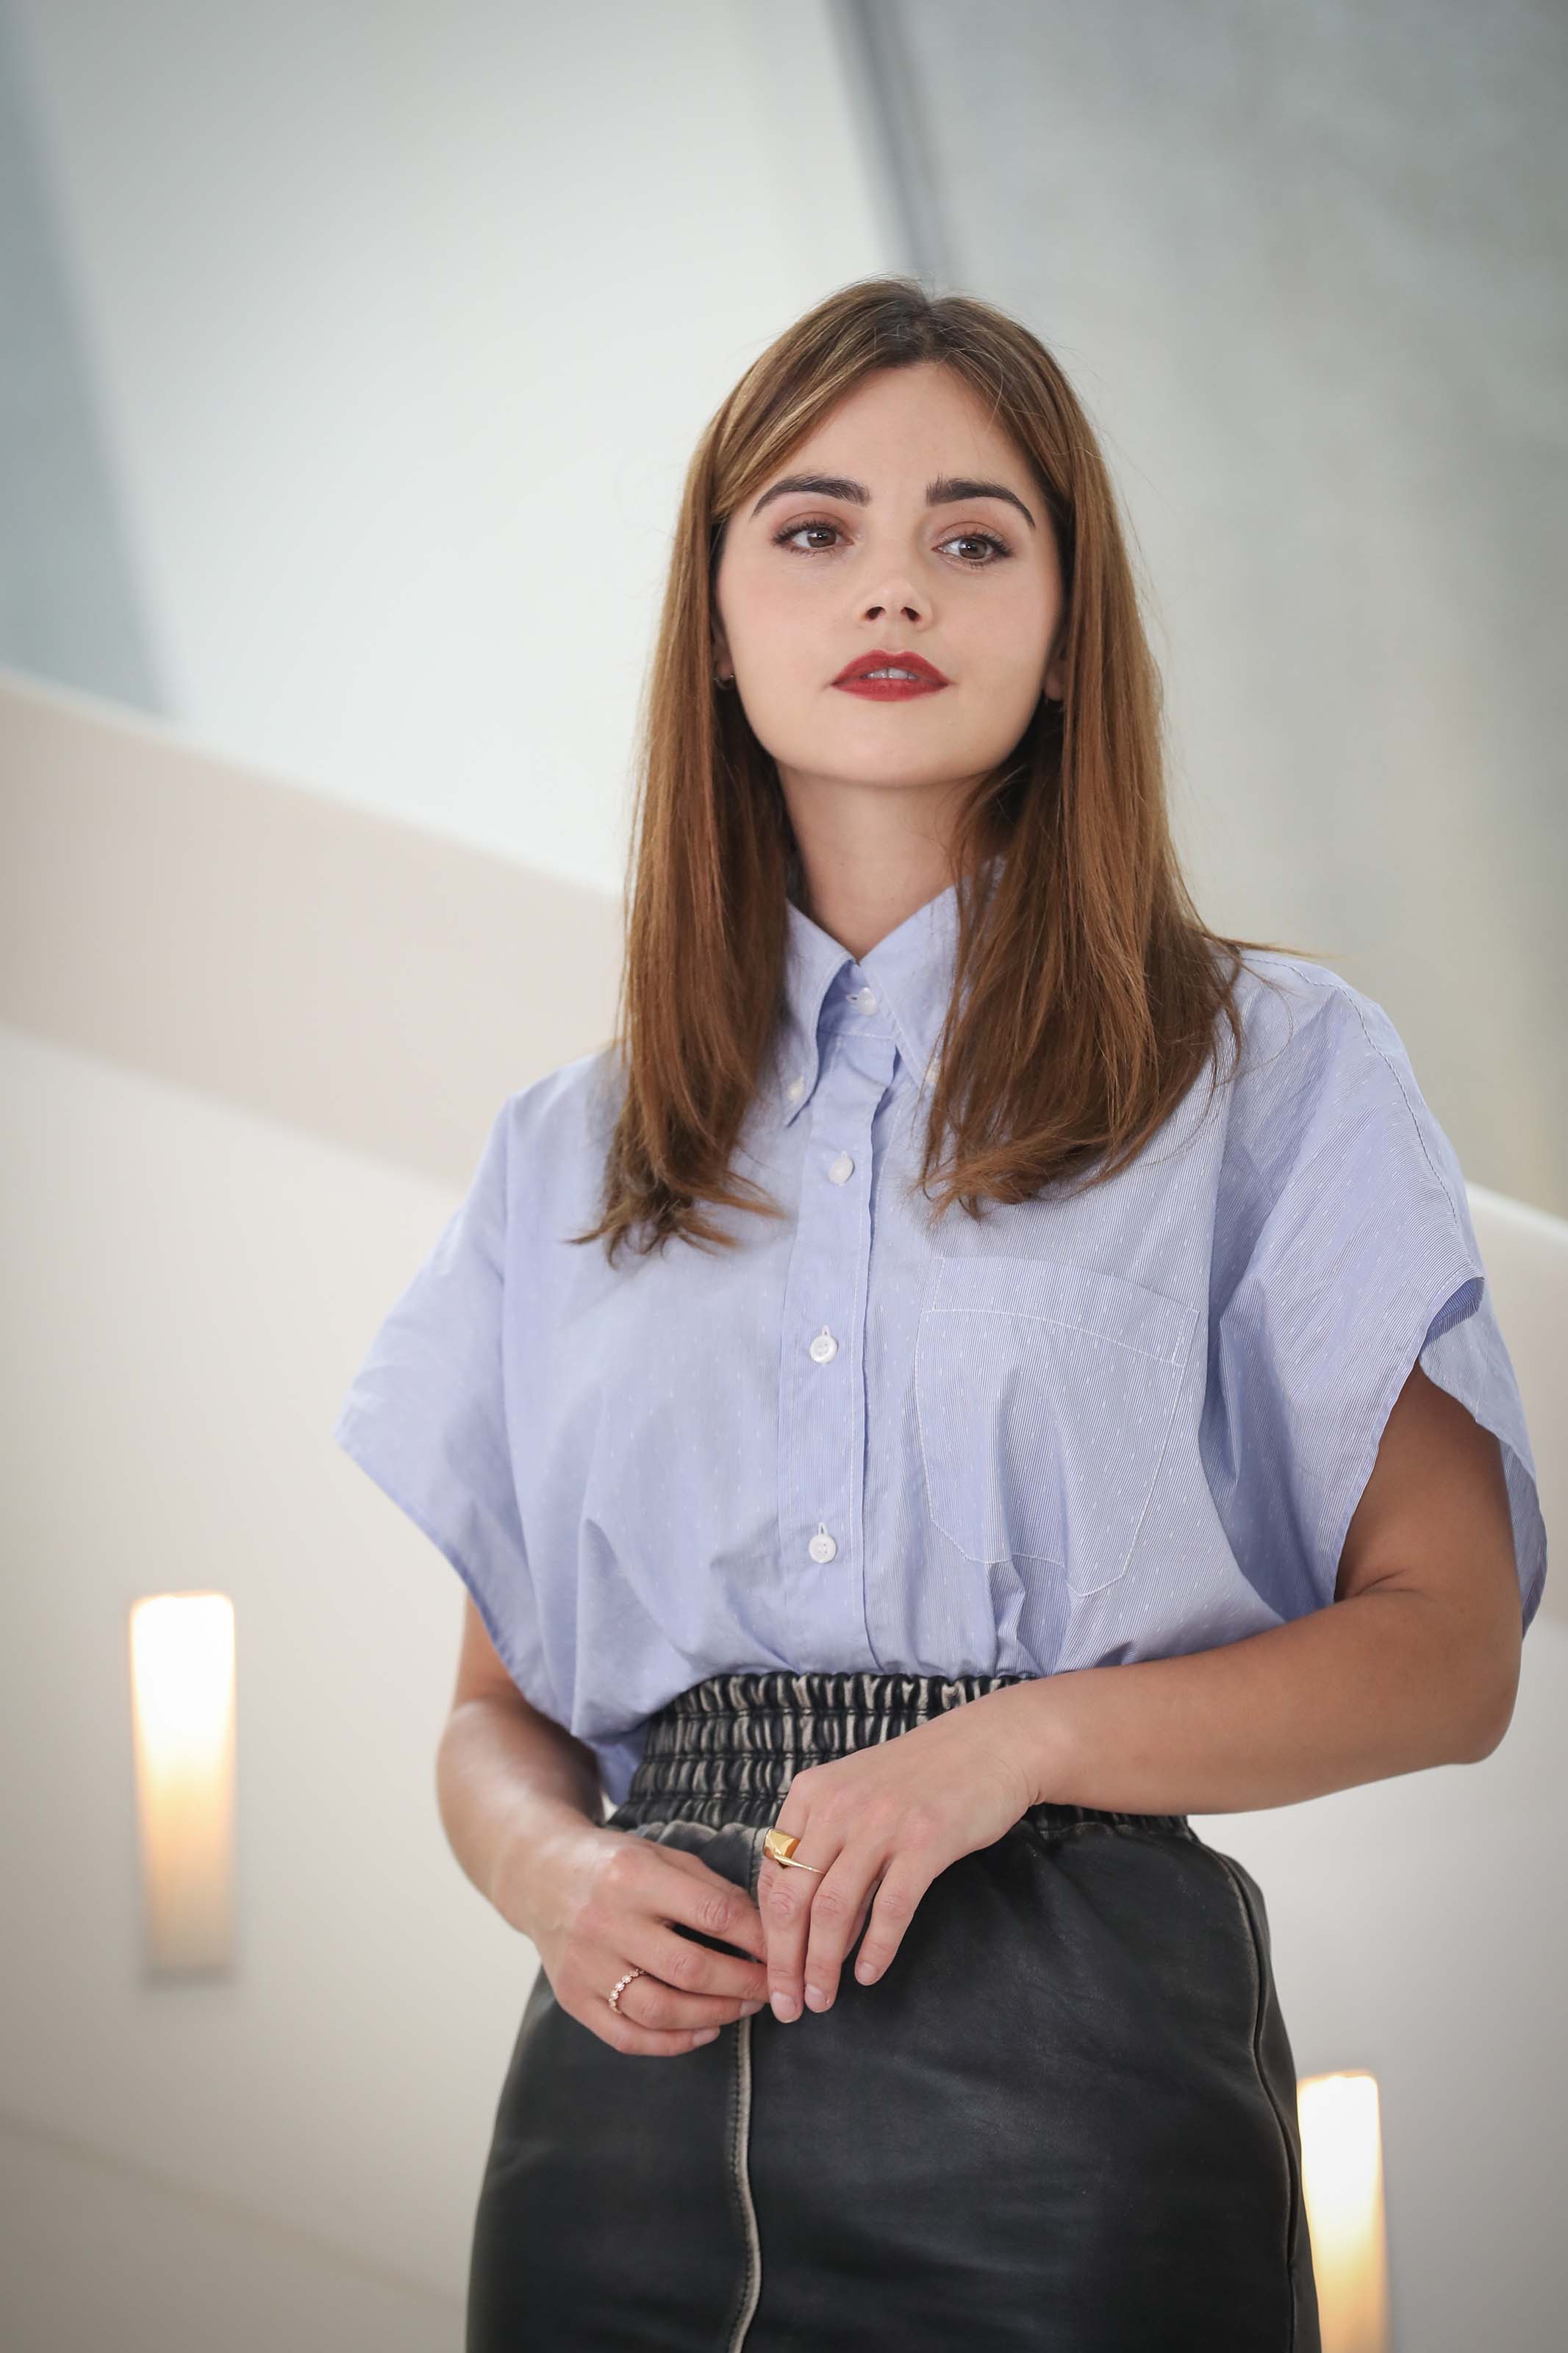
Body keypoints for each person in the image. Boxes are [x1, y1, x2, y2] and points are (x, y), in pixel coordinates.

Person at [332, 278, 1544, 2351]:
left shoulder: (1275, 1070)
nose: (894, 580)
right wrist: (550, 1879)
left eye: (974, 536)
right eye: (814, 529)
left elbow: (1448, 1656)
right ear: (712, 622)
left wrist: (1014, 1748)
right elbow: (491, 1714)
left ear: (1069, 632)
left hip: (1072, 2083)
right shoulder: (571, 1149)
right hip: (614, 2122)